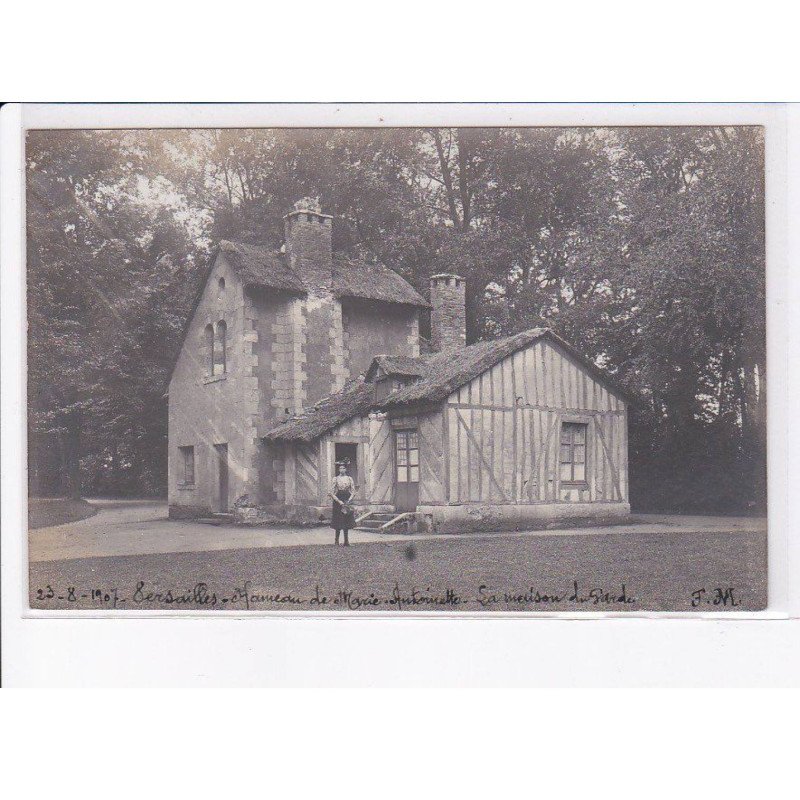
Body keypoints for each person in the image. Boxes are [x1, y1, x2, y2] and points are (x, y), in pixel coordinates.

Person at [329, 461, 356, 546]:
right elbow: (331, 492)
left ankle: (346, 541)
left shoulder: (349, 478)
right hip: (338, 499)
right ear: (338, 469)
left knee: (346, 520)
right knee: (338, 519)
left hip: (347, 498)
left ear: (346, 469)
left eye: (343, 468)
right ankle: (336, 541)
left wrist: (349, 500)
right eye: (340, 468)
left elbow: (353, 491)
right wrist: (339, 501)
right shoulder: (335, 479)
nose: (342, 470)